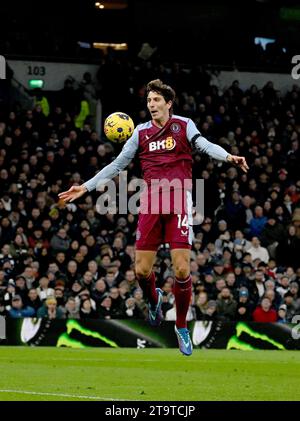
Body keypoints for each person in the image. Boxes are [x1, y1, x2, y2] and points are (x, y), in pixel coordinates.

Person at [58, 79, 249, 356]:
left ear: (168, 103)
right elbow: (117, 165)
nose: (151, 105)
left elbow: (204, 145)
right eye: (149, 101)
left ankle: (181, 326)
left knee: (182, 269)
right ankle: (154, 297)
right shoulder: (139, 133)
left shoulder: (184, 125)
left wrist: (229, 156)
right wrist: (85, 187)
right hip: (150, 203)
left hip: (179, 202)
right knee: (141, 271)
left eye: (156, 100)